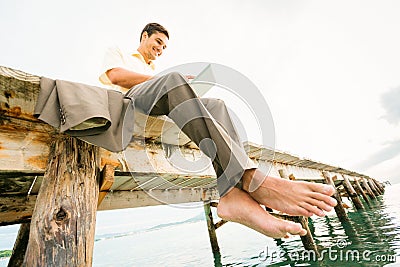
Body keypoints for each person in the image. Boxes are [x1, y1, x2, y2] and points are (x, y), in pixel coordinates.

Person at [99, 22, 337, 239]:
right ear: (144, 36)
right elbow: (116, 76)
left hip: (156, 108)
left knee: (217, 106)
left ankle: (231, 193)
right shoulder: (121, 52)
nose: (160, 48)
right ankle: (250, 176)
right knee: (173, 79)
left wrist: (184, 89)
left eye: (164, 47)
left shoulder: (155, 70)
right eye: (158, 42)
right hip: (127, 103)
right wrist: (162, 79)